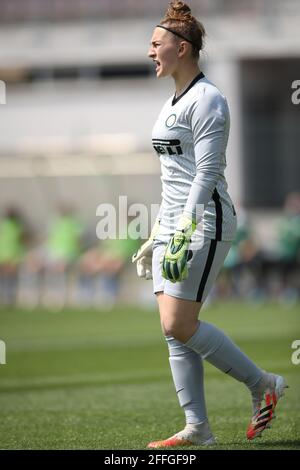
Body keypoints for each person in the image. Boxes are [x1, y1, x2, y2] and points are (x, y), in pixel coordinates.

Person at [132, 1, 287, 448]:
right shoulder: (170, 104)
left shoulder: (209, 99)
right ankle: (198, 428)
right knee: (172, 328)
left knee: (179, 323)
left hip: (204, 221)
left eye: (155, 44)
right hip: (173, 224)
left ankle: (262, 385)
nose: (150, 52)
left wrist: (183, 227)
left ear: (182, 48)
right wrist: (156, 233)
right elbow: (173, 178)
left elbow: (206, 172)